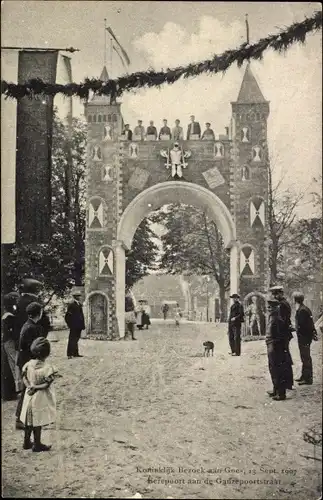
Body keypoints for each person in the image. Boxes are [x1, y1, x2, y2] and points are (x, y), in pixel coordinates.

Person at [20, 337, 60, 452]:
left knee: (28, 419)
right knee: (37, 420)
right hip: (39, 397)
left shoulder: (28, 365)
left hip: (29, 395)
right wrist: (36, 387)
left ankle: (26, 442)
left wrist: (29, 386)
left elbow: (23, 377)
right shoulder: (47, 368)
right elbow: (47, 384)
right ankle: (37, 444)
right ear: (46, 354)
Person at [16, 302, 44, 430]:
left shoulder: (28, 325)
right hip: (28, 363)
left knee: (27, 390)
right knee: (28, 390)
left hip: (25, 362)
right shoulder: (32, 328)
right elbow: (33, 348)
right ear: (39, 313)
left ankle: (22, 418)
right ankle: (20, 419)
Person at [269, 285, 294, 390]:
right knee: (285, 358)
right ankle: (288, 382)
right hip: (284, 334)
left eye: (276, 294)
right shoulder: (284, 303)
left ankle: (286, 383)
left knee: (282, 359)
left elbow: (282, 322)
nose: (274, 296)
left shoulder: (282, 305)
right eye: (274, 294)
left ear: (280, 293)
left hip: (282, 335)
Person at [293, 292, 318, 385]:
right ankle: (304, 376)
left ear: (295, 300)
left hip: (304, 338)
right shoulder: (304, 308)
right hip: (305, 337)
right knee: (304, 357)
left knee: (305, 357)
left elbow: (304, 326)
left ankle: (308, 379)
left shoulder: (302, 310)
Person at [266, 298, 288, 401]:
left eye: (271, 307)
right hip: (270, 345)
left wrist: (274, 345)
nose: (268, 309)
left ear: (276, 308)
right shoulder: (272, 317)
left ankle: (281, 393)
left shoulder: (278, 319)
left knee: (278, 369)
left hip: (275, 347)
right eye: (268, 307)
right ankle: (276, 389)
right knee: (272, 369)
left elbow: (280, 336)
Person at [1, 293, 20, 399]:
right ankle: (17, 387)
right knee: (14, 363)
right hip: (10, 342)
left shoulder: (5, 315)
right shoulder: (9, 316)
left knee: (11, 363)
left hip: (6, 341)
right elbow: (11, 332)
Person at [65, 288, 85, 359]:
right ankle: (69, 354)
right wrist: (70, 325)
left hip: (78, 326)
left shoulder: (79, 304)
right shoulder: (71, 305)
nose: (79, 297)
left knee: (76, 339)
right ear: (75, 297)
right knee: (72, 339)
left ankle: (75, 353)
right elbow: (67, 316)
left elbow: (81, 316)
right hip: (73, 326)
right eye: (78, 296)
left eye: (79, 296)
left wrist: (82, 325)